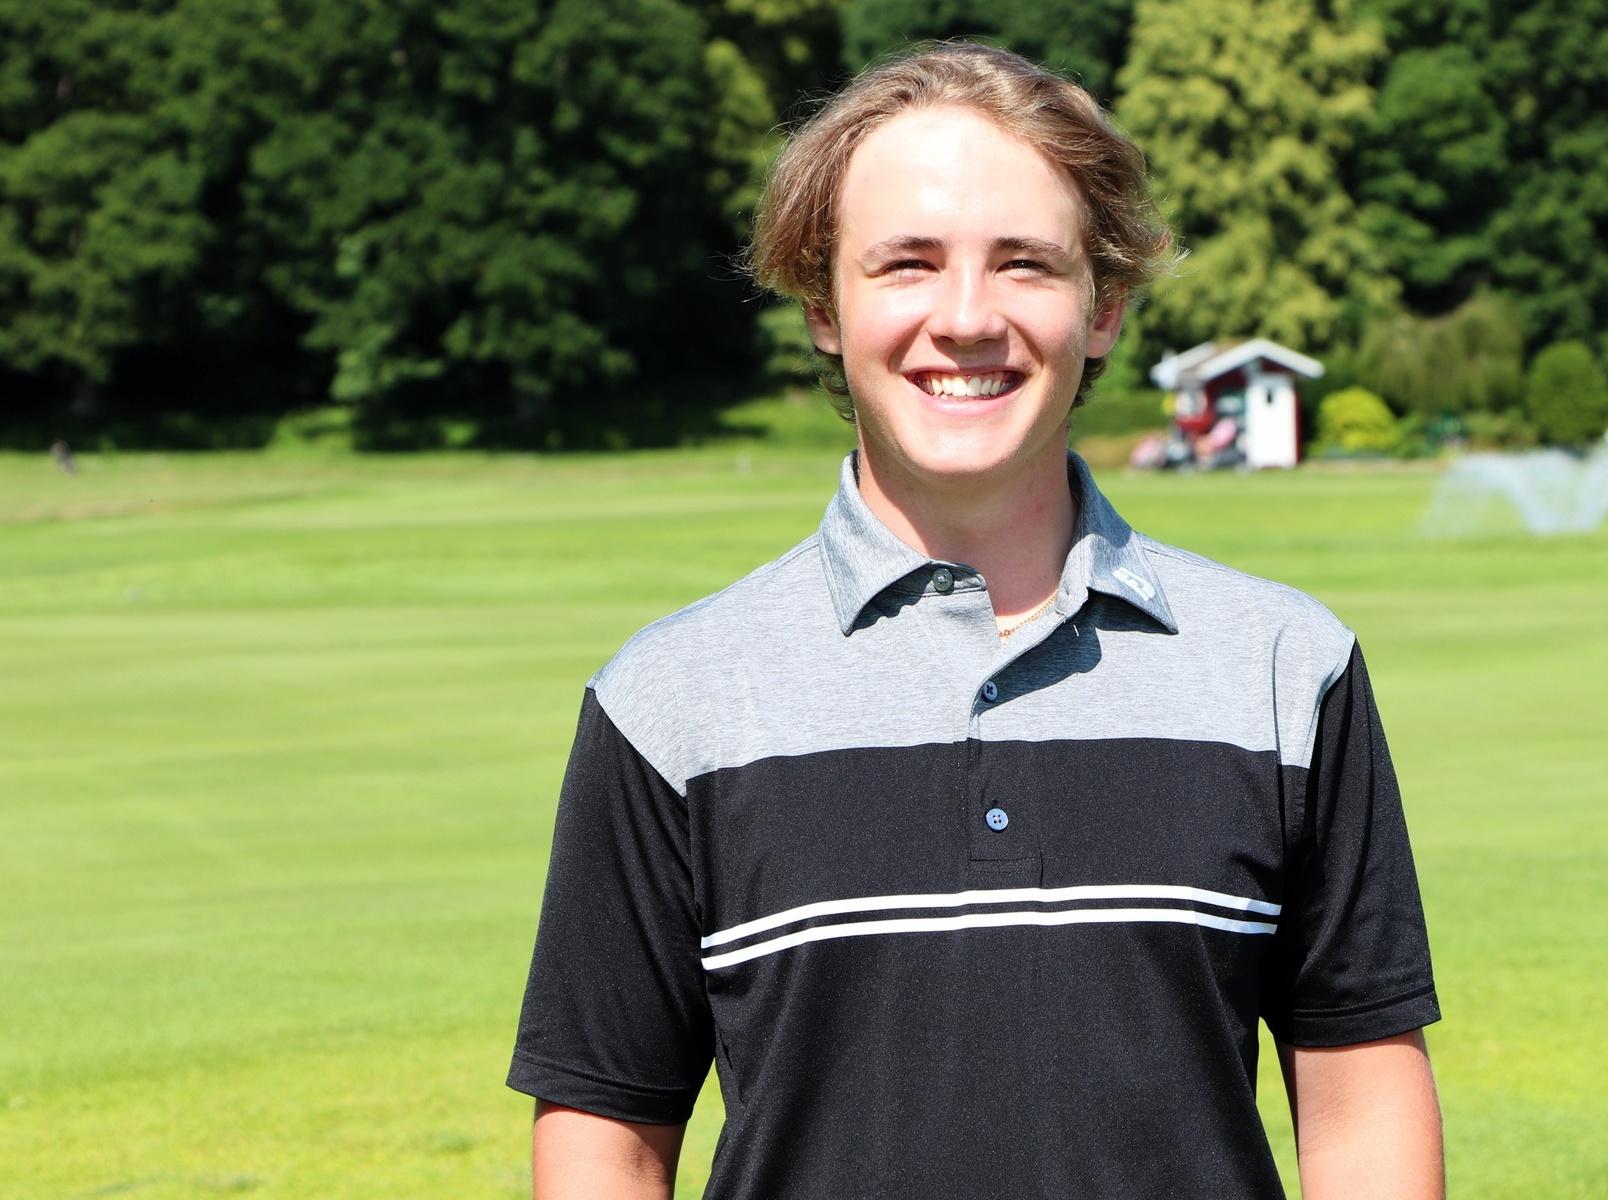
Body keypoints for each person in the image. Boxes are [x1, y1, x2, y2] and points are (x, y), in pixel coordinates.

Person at [508, 43, 1442, 1199]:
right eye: (906, 264)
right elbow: (606, 1136)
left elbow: (1361, 1106)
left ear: (1102, 312)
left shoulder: (1287, 672)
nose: (966, 318)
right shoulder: (671, 702)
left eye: (1024, 266)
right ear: (821, 309)